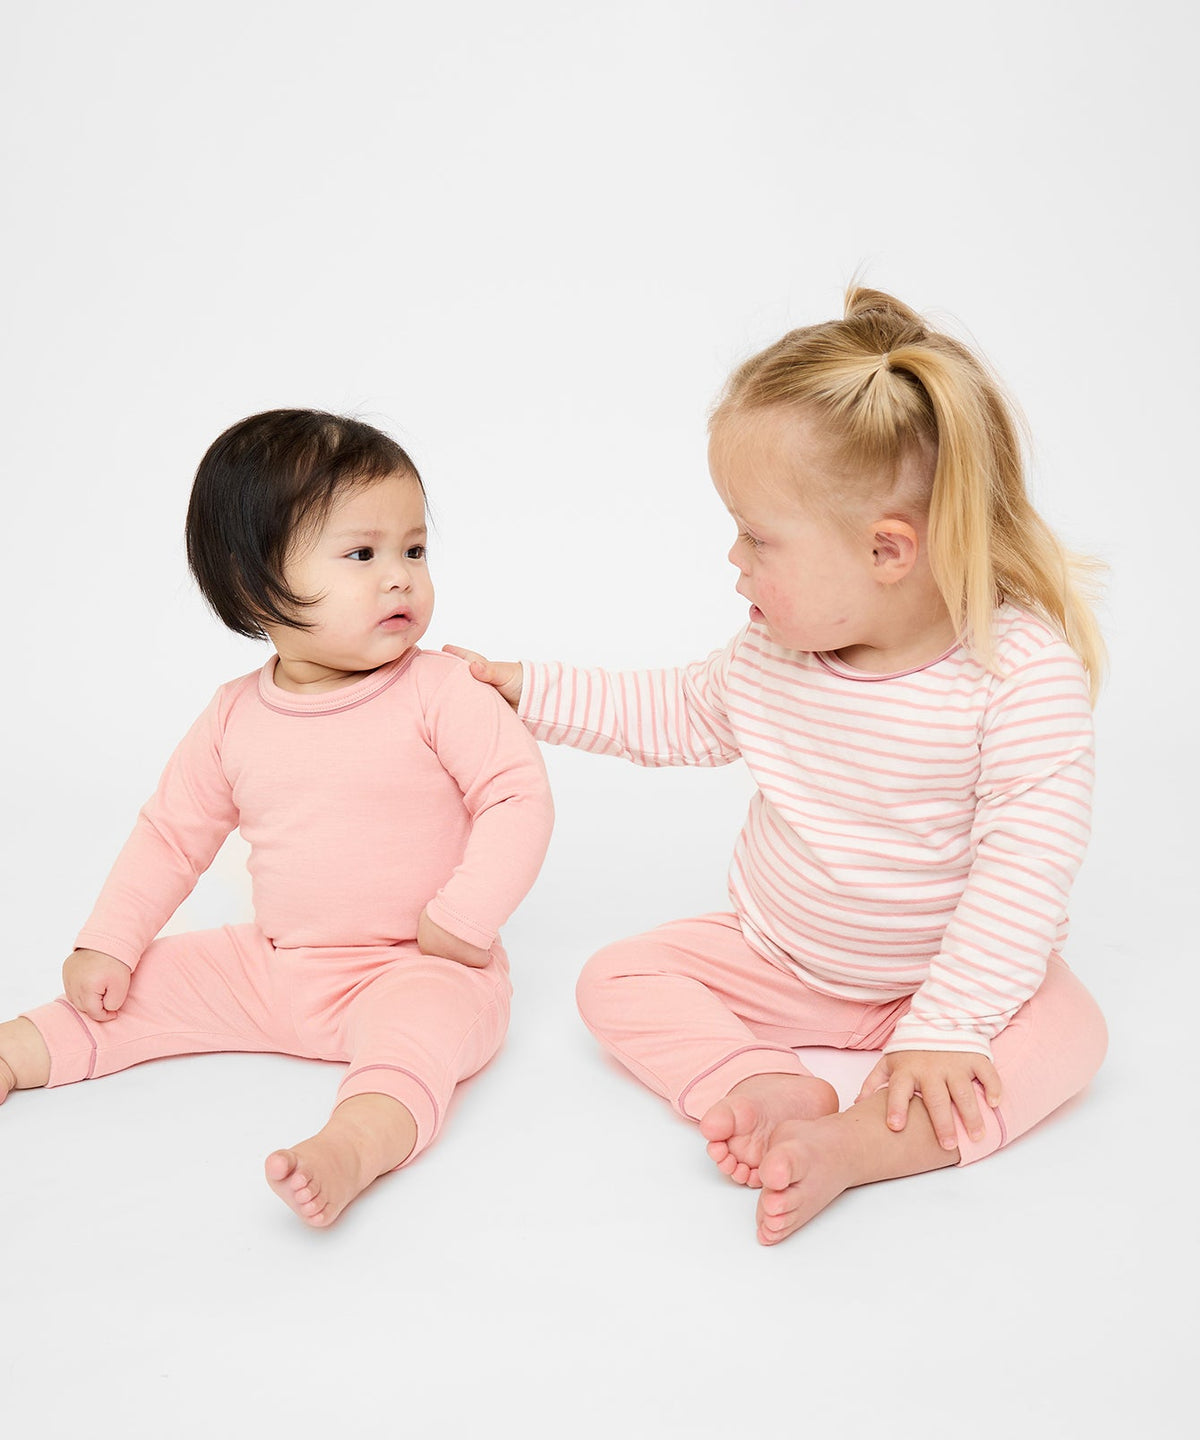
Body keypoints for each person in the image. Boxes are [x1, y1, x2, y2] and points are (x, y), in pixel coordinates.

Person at [449, 287, 1108, 1245]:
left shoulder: (1015, 677)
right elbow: (670, 712)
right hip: (779, 959)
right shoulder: (772, 656)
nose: (733, 558)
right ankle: (762, 1081)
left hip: (946, 974)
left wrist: (948, 1023)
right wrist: (525, 689)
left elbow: (1025, 873)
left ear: (888, 549)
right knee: (615, 980)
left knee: (1072, 1035)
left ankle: (861, 1145)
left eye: (758, 536)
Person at [0, 409, 553, 1227]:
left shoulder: (442, 691)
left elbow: (518, 795)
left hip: (417, 964)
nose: (400, 575)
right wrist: (107, 940)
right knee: (142, 984)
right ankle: (20, 1050)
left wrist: (464, 918)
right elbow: (171, 834)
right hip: (276, 965)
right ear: (253, 581)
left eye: (414, 549)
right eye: (363, 554)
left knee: (424, 1031)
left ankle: (356, 1142)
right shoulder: (232, 717)